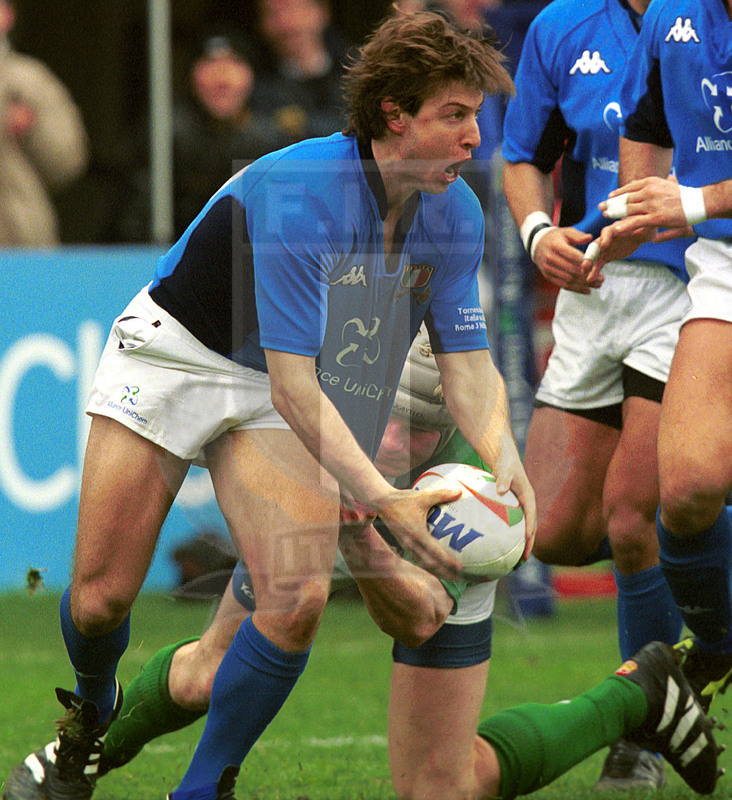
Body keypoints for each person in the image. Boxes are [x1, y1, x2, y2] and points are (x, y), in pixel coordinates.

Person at [3, 10, 534, 800]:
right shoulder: (300, 193)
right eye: (455, 115)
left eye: (476, 117)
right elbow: (296, 386)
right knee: (98, 600)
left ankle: (204, 786)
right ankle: (90, 710)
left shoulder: (451, 211)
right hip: (176, 352)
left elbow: (467, 364)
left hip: (274, 382)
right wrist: (385, 498)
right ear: (395, 115)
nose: (472, 138)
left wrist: (508, 459)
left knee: (296, 596)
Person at [55, 330, 724, 800]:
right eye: (387, 417)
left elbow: (420, 620)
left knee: (441, 785)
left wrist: (364, 539)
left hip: (409, 554)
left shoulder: (480, 495)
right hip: (329, 487)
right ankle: (75, 759)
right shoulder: (315, 421)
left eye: (421, 429)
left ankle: (637, 692)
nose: (399, 439)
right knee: (208, 670)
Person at [500, 0, 695, 789]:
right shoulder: (561, 25)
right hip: (595, 285)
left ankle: (645, 726)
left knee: (631, 517)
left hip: (693, 286)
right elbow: (520, 156)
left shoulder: (709, 20)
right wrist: (539, 234)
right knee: (553, 532)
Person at [581, 0, 732, 717]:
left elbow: (690, 196)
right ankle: (721, 643)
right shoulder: (674, 11)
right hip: (724, 263)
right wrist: (628, 220)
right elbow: (647, 124)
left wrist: (694, 201)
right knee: (688, 488)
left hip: (711, 219)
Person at [116, 30, 289, 242]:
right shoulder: (166, 133)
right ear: (190, 75)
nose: (222, 78)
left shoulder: (271, 140)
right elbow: (134, 222)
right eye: (209, 64)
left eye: (234, 64)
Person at [0, 0, 88, 246]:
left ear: (7, 15)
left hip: (22, 241)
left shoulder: (30, 79)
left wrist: (33, 128)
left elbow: (69, 161)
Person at [250, 0, 349, 142]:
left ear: (322, 12)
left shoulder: (359, 70)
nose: (286, 24)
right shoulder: (257, 88)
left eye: (295, 9)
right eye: (273, 14)